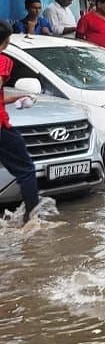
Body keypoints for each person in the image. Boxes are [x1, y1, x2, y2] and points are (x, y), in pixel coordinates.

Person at [0, 23, 41, 224]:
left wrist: (14, 98)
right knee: (26, 170)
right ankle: (32, 221)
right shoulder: (3, 60)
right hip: (1, 127)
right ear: (7, 40)